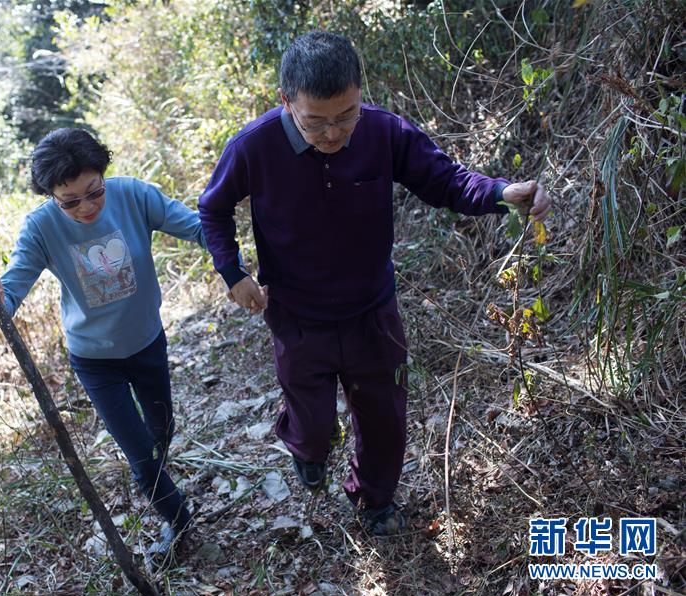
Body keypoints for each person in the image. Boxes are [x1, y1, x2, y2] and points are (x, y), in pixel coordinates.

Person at [198, 31, 551, 535]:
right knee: (313, 424)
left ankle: (374, 501)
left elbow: (444, 180)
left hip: (372, 311)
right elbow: (212, 208)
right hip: (297, 317)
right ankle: (307, 444)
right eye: (315, 122)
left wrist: (499, 193)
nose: (333, 133)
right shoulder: (254, 147)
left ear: (360, 94)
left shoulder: (383, 131)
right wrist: (233, 273)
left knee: (384, 418)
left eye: (346, 115)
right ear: (286, 102)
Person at [0, 128, 203, 566]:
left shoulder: (133, 196)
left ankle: (160, 471)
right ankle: (177, 519)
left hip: (147, 341)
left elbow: (198, 227)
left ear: (103, 175)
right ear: (51, 197)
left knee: (161, 428)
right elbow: (9, 294)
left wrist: (234, 266)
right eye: (70, 201)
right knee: (140, 455)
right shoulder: (41, 227)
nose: (86, 207)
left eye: (94, 192)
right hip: (95, 360)